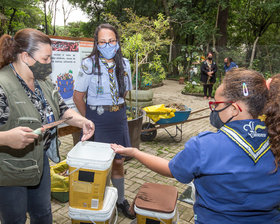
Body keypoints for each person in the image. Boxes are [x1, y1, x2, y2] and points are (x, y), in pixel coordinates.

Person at [111, 68, 280, 224]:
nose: (213, 110)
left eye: (217, 104)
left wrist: (135, 152)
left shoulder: (205, 146)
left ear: (234, 109)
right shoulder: (276, 142)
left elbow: (171, 169)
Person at [0, 28, 95, 224]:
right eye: (45, 59)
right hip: (9, 171)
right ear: (25, 56)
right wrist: (6, 138)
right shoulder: (2, 86)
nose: (49, 64)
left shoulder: (43, 81)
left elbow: (62, 110)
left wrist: (82, 121)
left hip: (39, 163)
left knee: (43, 215)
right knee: (14, 219)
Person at [73, 24, 135, 219]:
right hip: (97, 120)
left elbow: (125, 93)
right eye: (102, 42)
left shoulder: (124, 64)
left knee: (118, 162)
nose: (107, 45)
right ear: (96, 43)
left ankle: (120, 200)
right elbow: (77, 97)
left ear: (117, 42)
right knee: (98, 165)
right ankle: (99, 200)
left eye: (111, 41)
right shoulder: (88, 64)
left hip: (118, 117)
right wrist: (88, 119)